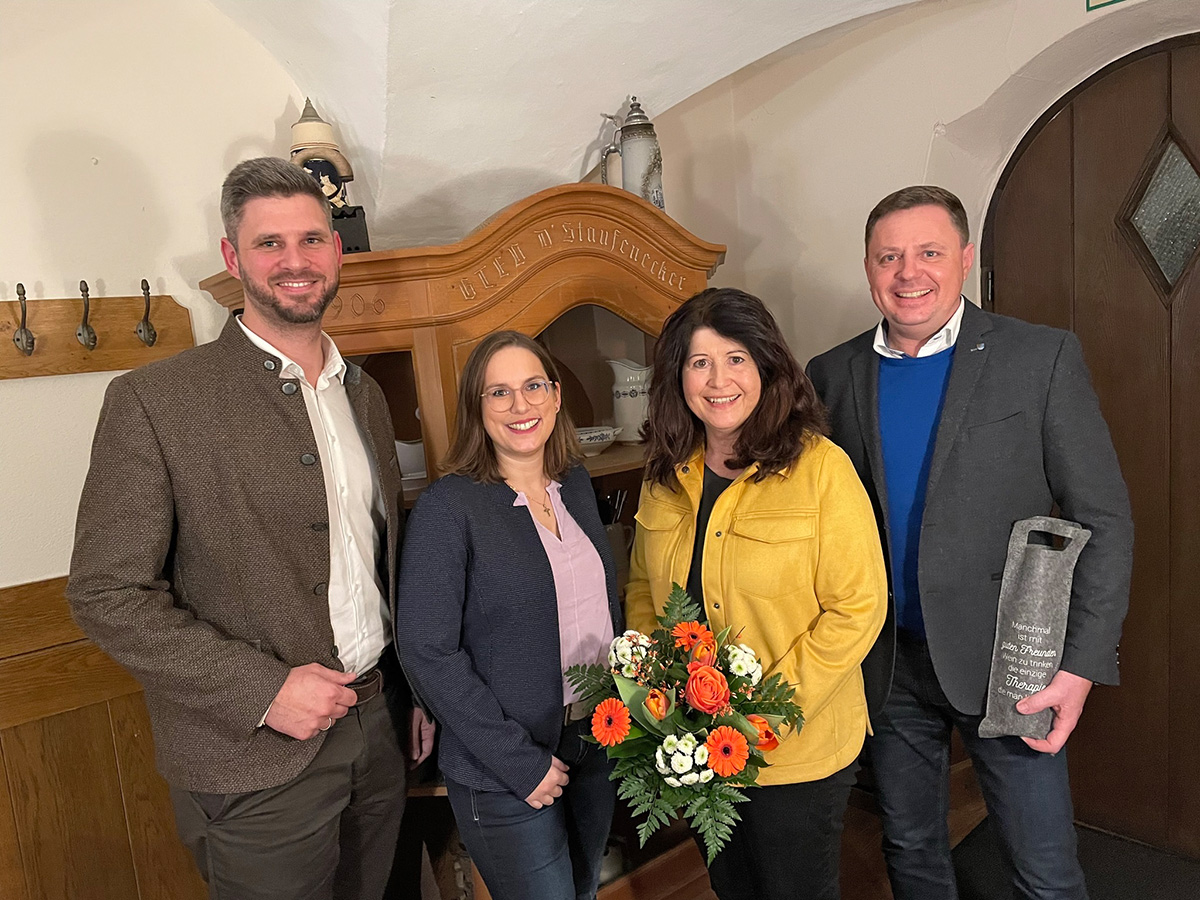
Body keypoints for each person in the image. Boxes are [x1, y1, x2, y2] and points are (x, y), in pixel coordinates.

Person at [67, 156, 434, 900]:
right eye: (270, 244)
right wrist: (264, 690)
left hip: (382, 725)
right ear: (234, 259)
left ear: (337, 251)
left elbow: (381, 569)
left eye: (311, 240)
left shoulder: (364, 396)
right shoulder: (154, 401)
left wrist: (416, 689)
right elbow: (106, 593)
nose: (294, 262)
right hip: (252, 759)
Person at [806, 185, 1134, 900]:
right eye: (888, 256)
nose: (908, 272)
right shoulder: (831, 375)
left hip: (1012, 663)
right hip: (887, 664)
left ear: (964, 257)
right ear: (867, 267)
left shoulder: (1039, 357)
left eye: (927, 252)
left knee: (1043, 868)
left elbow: (1104, 518)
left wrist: (1079, 665)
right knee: (912, 851)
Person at [625, 287, 887, 900]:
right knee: (733, 886)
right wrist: (653, 693)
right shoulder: (665, 474)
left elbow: (858, 608)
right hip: (692, 744)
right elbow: (642, 591)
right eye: (699, 362)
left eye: (736, 358)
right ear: (678, 378)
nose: (719, 380)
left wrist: (759, 716)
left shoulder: (822, 469)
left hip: (796, 750)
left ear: (768, 368)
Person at [394, 331, 623, 900]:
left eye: (532, 387)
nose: (521, 406)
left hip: (595, 739)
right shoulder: (450, 506)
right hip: (505, 764)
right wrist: (517, 763)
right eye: (499, 392)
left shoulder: (573, 483)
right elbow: (427, 649)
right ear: (477, 406)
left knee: (584, 890)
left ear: (556, 395)